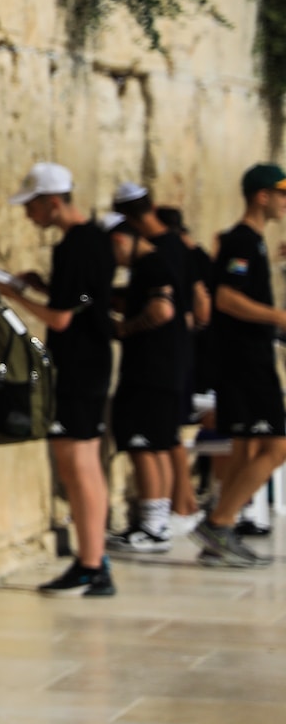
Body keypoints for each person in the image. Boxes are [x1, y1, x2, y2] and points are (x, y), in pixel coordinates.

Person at [0, 162, 117, 597]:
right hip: (94, 361)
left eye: (32, 206)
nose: (29, 215)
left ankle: (90, 564)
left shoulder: (72, 247)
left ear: (52, 202)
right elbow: (81, 301)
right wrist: (43, 287)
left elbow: (61, 320)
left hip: (76, 366)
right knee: (88, 463)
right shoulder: (95, 239)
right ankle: (94, 560)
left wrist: (16, 297)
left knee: (76, 465)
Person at [193, 164, 286, 567]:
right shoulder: (241, 242)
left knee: (248, 449)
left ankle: (221, 530)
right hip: (245, 363)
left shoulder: (254, 243)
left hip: (251, 360)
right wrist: (279, 317)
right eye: (282, 194)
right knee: (278, 447)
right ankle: (219, 521)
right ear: (262, 196)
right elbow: (227, 299)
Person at [107, 185, 194, 552]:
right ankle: (155, 523)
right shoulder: (162, 259)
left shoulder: (152, 263)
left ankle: (153, 526)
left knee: (144, 445)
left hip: (151, 367)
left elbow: (161, 310)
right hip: (166, 366)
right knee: (156, 444)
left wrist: (125, 329)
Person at [157, 204, 214, 528]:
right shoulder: (196, 255)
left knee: (173, 432)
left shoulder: (177, 256)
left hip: (186, 353)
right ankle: (185, 499)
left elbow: (202, 308)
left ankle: (182, 503)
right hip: (191, 353)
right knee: (175, 431)